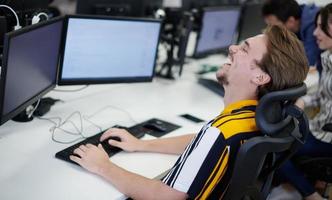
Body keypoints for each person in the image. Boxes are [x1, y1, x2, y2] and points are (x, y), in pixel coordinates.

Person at [69, 25, 309, 199]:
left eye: (244, 49)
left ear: (260, 76)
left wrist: (103, 166)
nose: (233, 47)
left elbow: (165, 196)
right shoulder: (255, 118)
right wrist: (140, 144)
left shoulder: (220, 132)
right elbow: (203, 145)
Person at [275, 3, 332, 200]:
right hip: (320, 128)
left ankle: (311, 195)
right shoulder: (328, 57)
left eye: (321, 27)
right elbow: (325, 95)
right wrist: (304, 100)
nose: (315, 33)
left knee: (275, 149)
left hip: (327, 136)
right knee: (281, 135)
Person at [262, 0, 322, 73]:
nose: (270, 30)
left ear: (291, 21)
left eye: (273, 26)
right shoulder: (295, 24)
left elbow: (308, 62)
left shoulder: (313, 24)